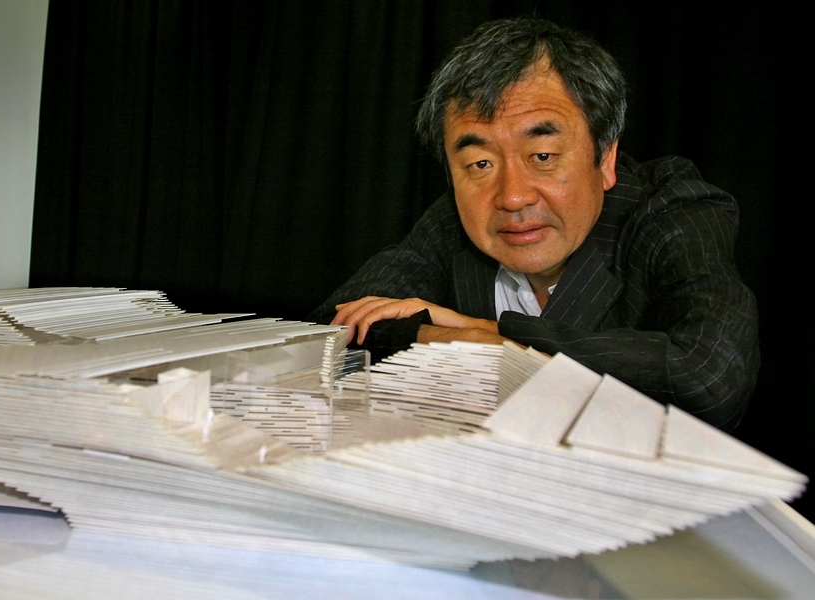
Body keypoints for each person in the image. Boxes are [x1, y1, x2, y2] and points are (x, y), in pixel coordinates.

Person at [310, 17, 758, 431]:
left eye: (542, 157)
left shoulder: (672, 207)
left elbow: (710, 375)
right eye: (479, 163)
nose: (512, 196)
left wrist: (497, 339)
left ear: (605, 158)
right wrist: (461, 339)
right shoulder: (454, 221)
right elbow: (335, 329)